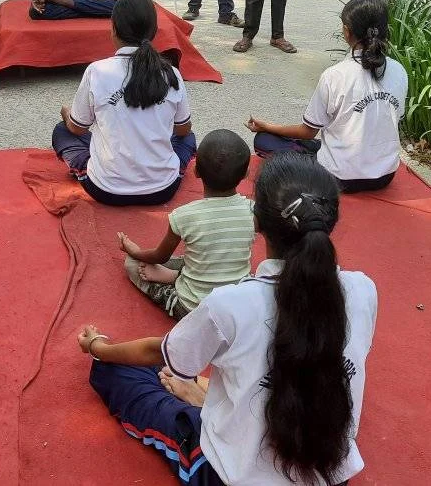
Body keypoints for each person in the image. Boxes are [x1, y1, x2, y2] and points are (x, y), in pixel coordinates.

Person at [77, 153, 377, 486]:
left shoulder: (232, 304)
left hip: (230, 477)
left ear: (257, 222)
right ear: (330, 220)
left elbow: (155, 352)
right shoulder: (363, 290)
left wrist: (98, 347)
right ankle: (207, 396)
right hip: (332, 475)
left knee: (119, 370)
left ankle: (204, 401)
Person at [247, 0, 408, 194]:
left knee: (264, 141)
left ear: (346, 31)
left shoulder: (335, 75)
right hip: (385, 175)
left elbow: (308, 132)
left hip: (339, 177)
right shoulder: (399, 70)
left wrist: (267, 126)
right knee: (322, 142)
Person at [52, 0, 196, 206]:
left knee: (62, 131)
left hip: (106, 190)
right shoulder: (171, 73)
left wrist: (67, 115)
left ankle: (95, 170)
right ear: (155, 32)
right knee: (188, 138)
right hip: (163, 189)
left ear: (113, 30)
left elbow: (77, 129)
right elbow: (183, 131)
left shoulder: (97, 71)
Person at [118, 129, 253, 319]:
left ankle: (176, 279)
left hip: (192, 309)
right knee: (212, 258)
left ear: (195, 171)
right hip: (236, 306)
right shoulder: (253, 210)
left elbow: (159, 256)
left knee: (132, 264)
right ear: (246, 173)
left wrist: (134, 251)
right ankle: (177, 276)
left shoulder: (183, 215)